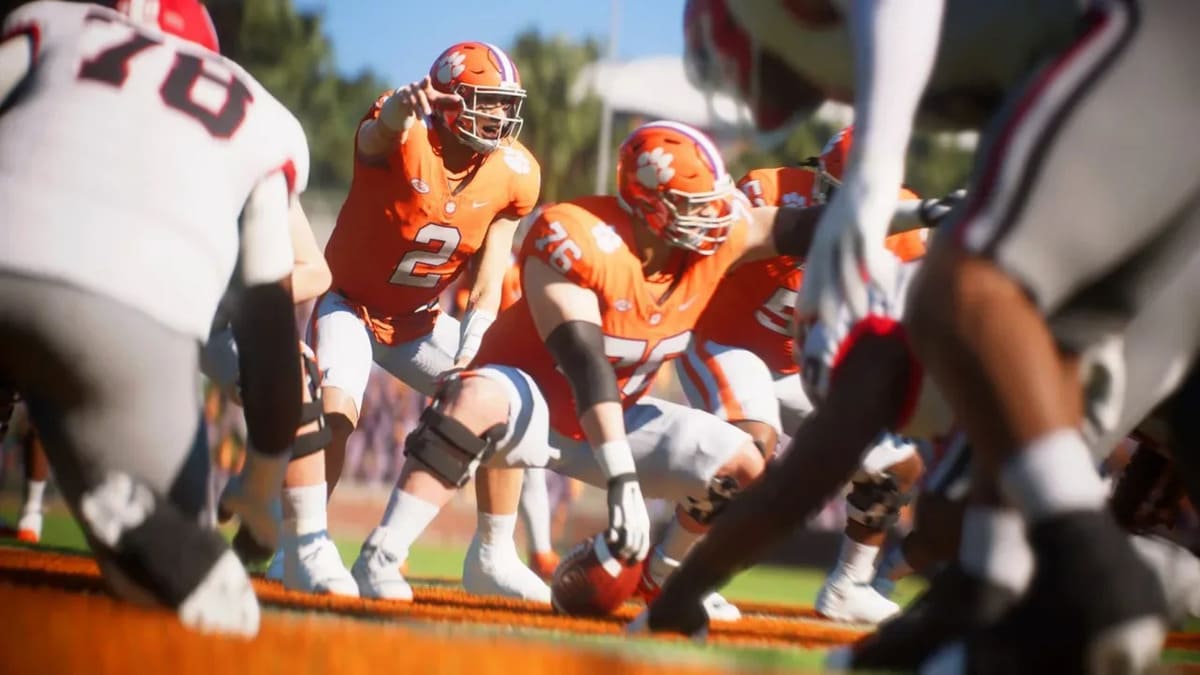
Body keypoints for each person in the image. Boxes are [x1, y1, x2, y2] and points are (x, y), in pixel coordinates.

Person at [655, 2, 1200, 668]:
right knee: (959, 515)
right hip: (1150, 172)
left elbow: (787, 493)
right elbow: (790, 494)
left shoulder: (897, 330)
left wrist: (876, 170)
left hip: (1149, 59)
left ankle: (1097, 567)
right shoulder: (978, 364)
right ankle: (1027, 596)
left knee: (967, 290)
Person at [348, 119, 932, 615]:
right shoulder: (574, 236)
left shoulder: (718, 236)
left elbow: (807, 225)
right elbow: (585, 365)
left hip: (620, 417)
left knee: (746, 465)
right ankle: (382, 554)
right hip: (537, 408)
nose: (714, 219)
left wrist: (930, 211)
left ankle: (668, 583)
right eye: (695, 207)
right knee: (475, 395)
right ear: (650, 205)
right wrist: (624, 480)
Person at [0, 0, 310, 636]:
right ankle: (137, 512)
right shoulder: (262, 117)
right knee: (187, 595)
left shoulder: (53, 22)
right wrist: (260, 483)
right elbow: (270, 317)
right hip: (131, 315)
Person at [309, 41, 546, 599]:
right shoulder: (406, 128)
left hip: (417, 320)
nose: (499, 117)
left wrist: (475, 346)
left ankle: (493, 554)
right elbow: (375, 137)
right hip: (349, 303)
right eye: (486, 103)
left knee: (503, 396)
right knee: (336, 414)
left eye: (504, 103)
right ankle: (303, 543)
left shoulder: (514, 171)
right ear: (450, 102)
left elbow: (492, 273)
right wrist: (398, 111)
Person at [675, 126, 926, 624]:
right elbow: (714, 258)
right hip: (724, 342)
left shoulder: (904, 220)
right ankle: (675, 573)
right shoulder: (766, 189)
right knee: (751, 444)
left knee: (896, 460)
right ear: (817, 180)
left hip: (799, 364)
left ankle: (850, 585)